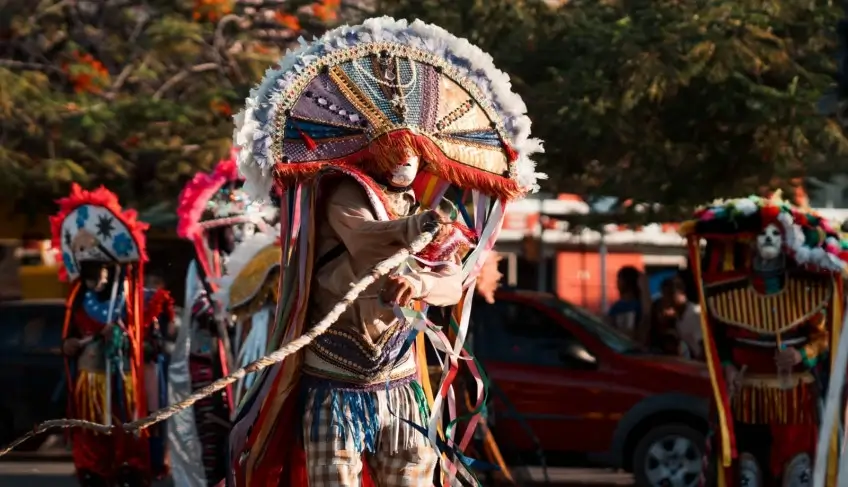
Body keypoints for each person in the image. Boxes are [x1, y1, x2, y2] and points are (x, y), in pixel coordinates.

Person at [226, 16, 544, 487]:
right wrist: (417, 227)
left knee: (415, 476)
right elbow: (366, 240)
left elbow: (453, 282)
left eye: (414, 152)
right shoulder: (346, 193)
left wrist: (419, 282)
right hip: (333, 377)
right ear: (373, 151)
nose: (405, 161)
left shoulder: (432, 212)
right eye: (395, 150)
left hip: (399, 378)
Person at [681, 195, 844, 486]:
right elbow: (719, 341)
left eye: (774, 234)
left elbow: (823, 338)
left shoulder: (807, 291)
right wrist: (728, 365)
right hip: (747, 394)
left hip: (794, 398)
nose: (768, 239)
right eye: (762, 235)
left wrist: (802, 355)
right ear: (751, 243)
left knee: (798, 472)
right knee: (749, 472)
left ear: (786, 242)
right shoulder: (725, 293)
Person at [168, 150, 277, 487]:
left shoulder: (270, 262)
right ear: (221, 232)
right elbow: (198, 306)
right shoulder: (202, 266)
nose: (242, 236)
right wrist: (217, 312)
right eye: (235, 229)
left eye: (248, 227)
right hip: (214, 361)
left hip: (256, 356)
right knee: (214, 441)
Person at [51, 184, 163, 487]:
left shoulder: (132, 300)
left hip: (124, 381)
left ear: (111, 268)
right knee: (91, 444)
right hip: (89, 383)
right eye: (87, 272)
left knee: (127, 439)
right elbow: (67, 339)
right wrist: (69, 345)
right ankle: (93, 469)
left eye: (98, 270)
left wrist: (125, 334)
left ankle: (131, 467)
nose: (94, 278)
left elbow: (153, 344)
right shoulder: (76, 300)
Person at [608, 266, 651, 343]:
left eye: (619, 279)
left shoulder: (638, 305)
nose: (617, 283)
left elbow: (646, 318)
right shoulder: (616, 307)